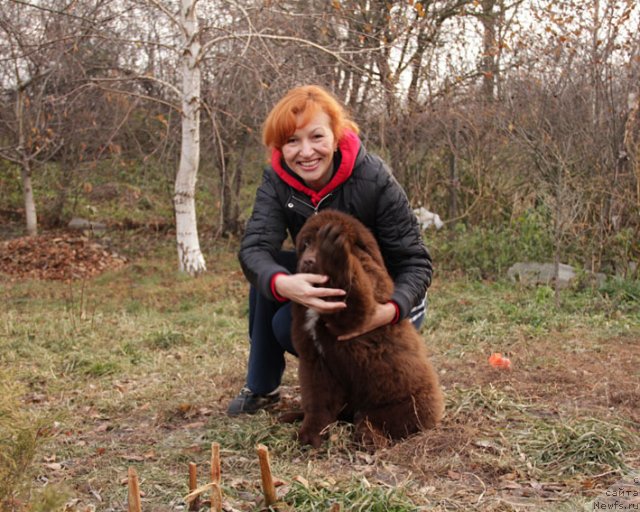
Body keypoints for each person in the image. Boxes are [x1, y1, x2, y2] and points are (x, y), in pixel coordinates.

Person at [227, 84, 433, 416]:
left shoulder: (373, 177)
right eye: (292, 141)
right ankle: (262, 388)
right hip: (332, 285)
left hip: (385, 296)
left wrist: (390, 310)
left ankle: (358, 395)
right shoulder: (276, 181)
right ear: (280, 147)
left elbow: (416, 262)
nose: (305, 152)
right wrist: (284, 283)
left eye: (316, 137)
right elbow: (254, 249)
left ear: (336, 136)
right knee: (275, 286)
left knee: (313, 327)